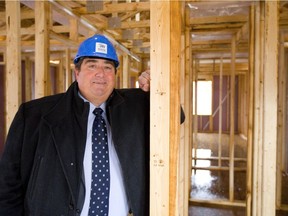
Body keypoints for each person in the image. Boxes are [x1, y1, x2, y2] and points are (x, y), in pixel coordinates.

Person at [0, 34, 184, 216]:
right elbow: (8, 183)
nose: (100, 74)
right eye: (92, 65)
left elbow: (176, 118)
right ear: (77, 72)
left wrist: (159, 87)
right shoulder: (34, 115)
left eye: (108, 67)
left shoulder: (137, 106)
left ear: (115, 75)